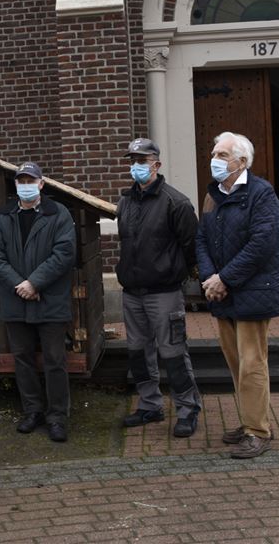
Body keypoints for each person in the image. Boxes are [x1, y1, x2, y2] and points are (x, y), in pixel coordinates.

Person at [196, 131, 279, 459]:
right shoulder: (213, 196)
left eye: (222, 155)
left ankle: (258, 431)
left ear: (242, 161)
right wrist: (210, 277)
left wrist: (225, 278)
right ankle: (250, 419)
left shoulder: (261, 194)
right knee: (236, 363)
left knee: (252, 363)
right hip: (222, 293)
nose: (215, 160)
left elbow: (262, 244)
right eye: (214, 153)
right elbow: (202, 240)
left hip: (252, 291)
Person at [116, 138, 202, 437]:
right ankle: (149, 405)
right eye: (133, 160)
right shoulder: (125, 202)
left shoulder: (175, 202)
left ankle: (187, 410)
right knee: (138, 352)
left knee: (174, 353)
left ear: (157, 164)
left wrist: (182, 276)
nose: (137, 166)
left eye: (143, 160)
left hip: (164, 293)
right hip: (132, 293)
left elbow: (191, 246)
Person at [0, 161, 76, 443]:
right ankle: (32, 411)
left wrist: (34, 283)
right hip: (16, 302)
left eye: (30, 180)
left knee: (54, 360)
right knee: (23, 360)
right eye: (20, 181)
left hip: (50, 302)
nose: (25, 185)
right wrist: (20, 285)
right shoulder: (4, 217)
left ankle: (57, 417)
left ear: (41, 183)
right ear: (16, 185)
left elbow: (64, 253)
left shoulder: (58, 214)